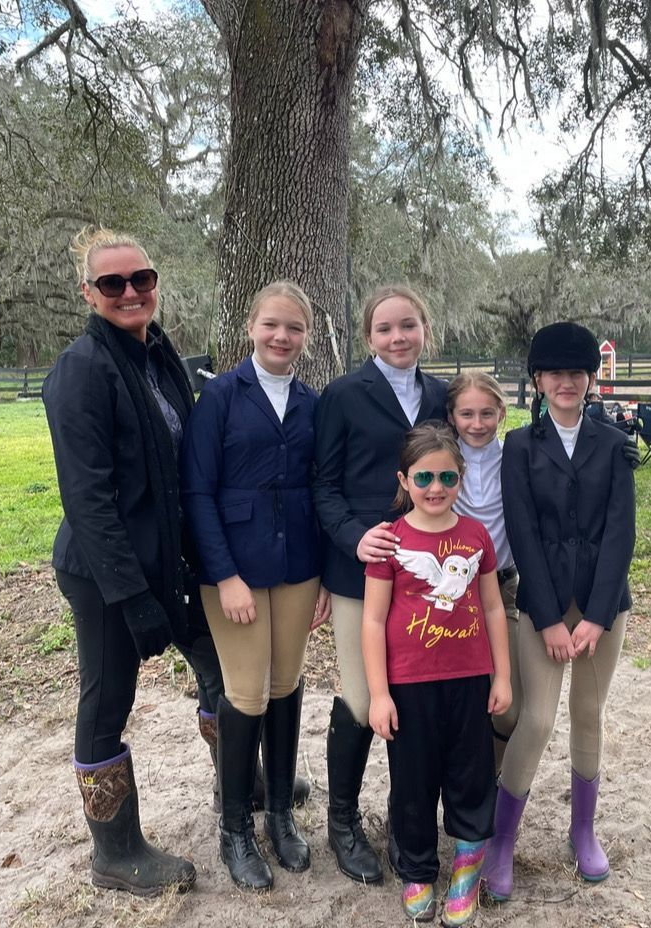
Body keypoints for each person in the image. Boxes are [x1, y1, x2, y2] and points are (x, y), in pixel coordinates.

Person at [42, 227, 224, 895]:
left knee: (218, 666)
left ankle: (238, 785)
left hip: (171, 561)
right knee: (107, 698)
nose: (129, 292)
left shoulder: (161, 356)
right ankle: (115, 851)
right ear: (87, 293)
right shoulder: (81, 371)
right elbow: (87, 500)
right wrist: (133, 597)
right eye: (112, 283)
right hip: (105, 571)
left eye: (140, 279)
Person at [179, 281, 331, 890]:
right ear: (251, 327)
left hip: (297, 565)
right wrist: (224, 575)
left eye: (293, 328)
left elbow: (320, 490)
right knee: (246, 693)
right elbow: (197, 493)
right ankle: (234, 828)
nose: (281, 337)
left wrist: (323, 574)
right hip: (234, 570)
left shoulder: (313, 404)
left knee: (286, 684)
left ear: (306, 337)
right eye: (272, 325)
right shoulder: (218, 398)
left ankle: (277, 818)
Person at [484, 322, 635, 901]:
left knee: (588, 712)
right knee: (538, 719)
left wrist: (596, 616)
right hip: (542, 601)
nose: (566, 382)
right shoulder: (521, 446)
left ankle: (582, 830)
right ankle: (501, 841)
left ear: (588, 380)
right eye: (555, 374)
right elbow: (520, 530)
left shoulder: (614, 442)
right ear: (539, 381)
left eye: (577, 373)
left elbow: (621, 533)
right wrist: (547, 618)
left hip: (602, 604)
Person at [312, 284, 449, 884]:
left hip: (427, 572)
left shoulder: (442, 394)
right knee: (366, 700)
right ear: (369, 336)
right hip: (361, 567)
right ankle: (342, 820)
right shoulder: (342, 395)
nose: (399, 338)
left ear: (425, 329)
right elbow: (322, 483)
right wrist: (352, 536)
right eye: (386, 328)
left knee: (415, 696)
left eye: (409, 326)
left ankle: (406, 818)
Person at [362, 423, 512, 926]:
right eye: (424, 477)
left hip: (469, 679)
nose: (436, 487)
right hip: (409, 685)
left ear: (461, 478)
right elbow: (373, 620)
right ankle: (419, 870)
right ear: (404, 480)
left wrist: (502, 676)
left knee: (471, 776)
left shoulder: (475, 536)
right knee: (414, 782)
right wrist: (379, 694)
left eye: (448, 476)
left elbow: (492, 607)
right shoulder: (391, 542)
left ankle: (466, 870)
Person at [446, 372, 521, 774]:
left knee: (506, 706)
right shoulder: (440, 461)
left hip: (503, 588)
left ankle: (492, 780)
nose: (477, 424)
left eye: (487, 413)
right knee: (457, 699)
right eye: (467, 414)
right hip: (449, 591)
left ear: (501, 414)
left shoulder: (516, 456)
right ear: (452, 415)